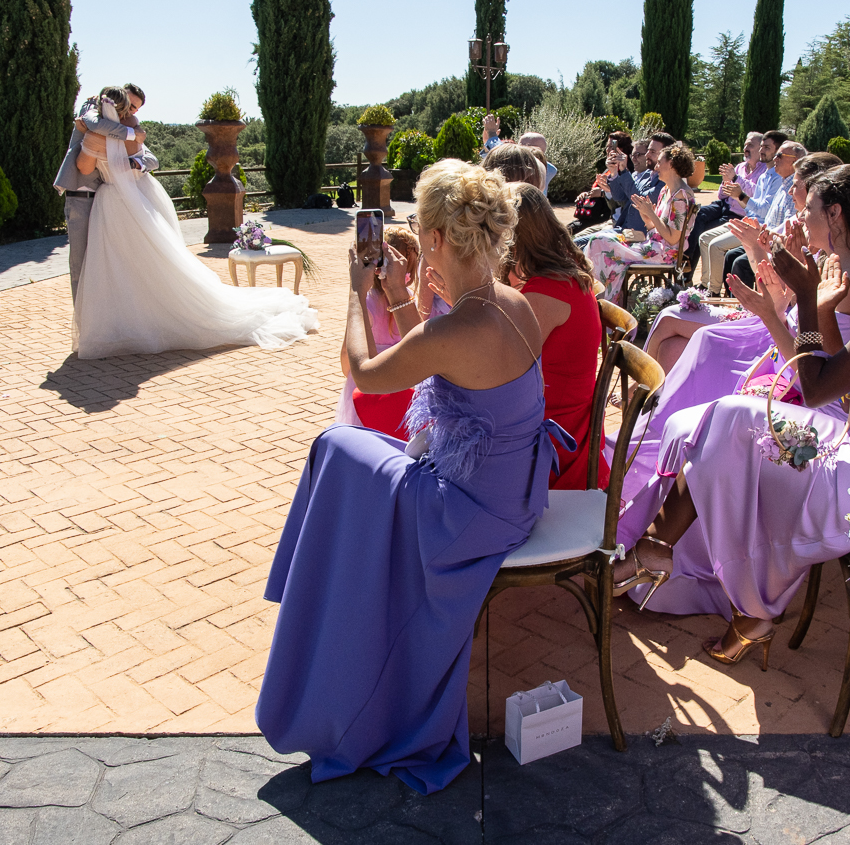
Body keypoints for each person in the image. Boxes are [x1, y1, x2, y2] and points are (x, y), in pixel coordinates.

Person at [256, 159, 569, 795]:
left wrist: (356, 292)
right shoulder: (509, 302)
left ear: (435, 237)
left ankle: (313, 599)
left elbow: (366, 372)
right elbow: (436, 361)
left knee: (335, 447)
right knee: (356, 453)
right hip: (511, 493)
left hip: (469, 513)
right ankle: (316, 588)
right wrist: (405, 295)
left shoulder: (458, 325)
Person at [614, 190, 850, 659]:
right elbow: (840, 375)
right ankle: (697, 576)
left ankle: (692, 571)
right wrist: (821, 307)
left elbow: (818, 386)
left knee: (730, 422)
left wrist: (806, 296)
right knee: (729, 426)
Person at [70, 91, 316, 359]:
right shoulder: (134, 131)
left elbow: (84, 168)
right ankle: (147, 315)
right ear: (124, 109)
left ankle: (123, 322)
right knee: (149, 260)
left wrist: (89, 139)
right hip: (137, 198)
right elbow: (142, 152)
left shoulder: (94, 136)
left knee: (116, 262)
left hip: (110, 201)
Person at [643, 152, 840, 374]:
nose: (789, 191)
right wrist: (753, 247)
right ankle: (648, 390)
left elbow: (792, 319)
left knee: (670, 320)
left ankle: (643, 387)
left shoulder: (824, 251)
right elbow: (773, 291)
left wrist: (778, 263)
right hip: (773, 322)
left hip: (775, 334)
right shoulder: (799, 227)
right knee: (670, 346)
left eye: (796, 185)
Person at [501, 183, 608, 490]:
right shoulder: (560, 274)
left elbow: (497, 369)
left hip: (554, 446)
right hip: (562, 423)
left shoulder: (546, 292)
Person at [335, 227, 451, 438]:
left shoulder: (365, 302)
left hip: (365, 384)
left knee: (366, 437)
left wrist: (356, 290)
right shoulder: (408, 300)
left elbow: (347, 356)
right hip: (401, 378)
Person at [53, 84, 159, 301]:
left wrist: (133, 162)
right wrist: (132, 134)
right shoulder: (94, 109)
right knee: (80, 263)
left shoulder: (125, 128)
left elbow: (151, 159)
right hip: (82, 197)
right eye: (129, 104)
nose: (129, 111)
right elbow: (94, 126)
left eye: (134, 108)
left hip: (108, 202)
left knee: (109, 263)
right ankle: (83, 314)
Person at [584, 142, 696, 304]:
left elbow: (673, 239)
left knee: (599, 242)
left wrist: (651, 214)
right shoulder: (666, 190)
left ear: (671, 164)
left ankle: (599, 300)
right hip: (653, 244)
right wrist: (646, 217)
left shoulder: (680, 196)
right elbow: (654, 227)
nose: (656, 167)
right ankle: (600, 298)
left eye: (659, 162)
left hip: (664, 254)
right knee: (598, 240)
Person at [715, 140, 808, 291]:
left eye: (779, 155)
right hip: (765, 236)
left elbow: (788, 228)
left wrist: (741, 196)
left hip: (775, 245)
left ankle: (751, 302)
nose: (775, 158)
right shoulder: (780, 182)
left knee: (738, 262)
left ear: (795, 161)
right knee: (730, 255)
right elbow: (756, 211)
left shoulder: (795, 189)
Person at [574, 132, 672, 247]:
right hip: (623, 231)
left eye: (652, 152)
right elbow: (620, 197)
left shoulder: (665, 182)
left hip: (638, 238)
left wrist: (624, 171)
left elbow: (640, 200)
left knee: (581, 245)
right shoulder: (646, 174)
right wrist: (614, 173)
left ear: (665, 156)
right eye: (648, 151)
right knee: (575, 243)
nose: (647, 155)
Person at [684, 131, 766, 263]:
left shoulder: (764, 171)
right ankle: (686, 257)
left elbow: (755, 192)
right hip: (724, 205)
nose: (745, 148)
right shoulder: (739, 167)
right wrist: (725, 182)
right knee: (697, 213)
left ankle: (687, 266)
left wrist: (735, 178)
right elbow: (721, 195)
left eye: (750, 145)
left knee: (703, 232)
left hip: (739, 214)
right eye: (745, 145)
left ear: (760, 149)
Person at [569, 131, 635, 236]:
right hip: (596, 214)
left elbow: (624, 199)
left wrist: (603, 193)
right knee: (569, 231)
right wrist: (587, 194)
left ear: (621, 149)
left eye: (611, 147)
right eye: (607, 147)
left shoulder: (627, 171)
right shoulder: (609, 168)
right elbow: (601, 188)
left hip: (608, 218)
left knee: (577, 235)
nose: (608, 150)